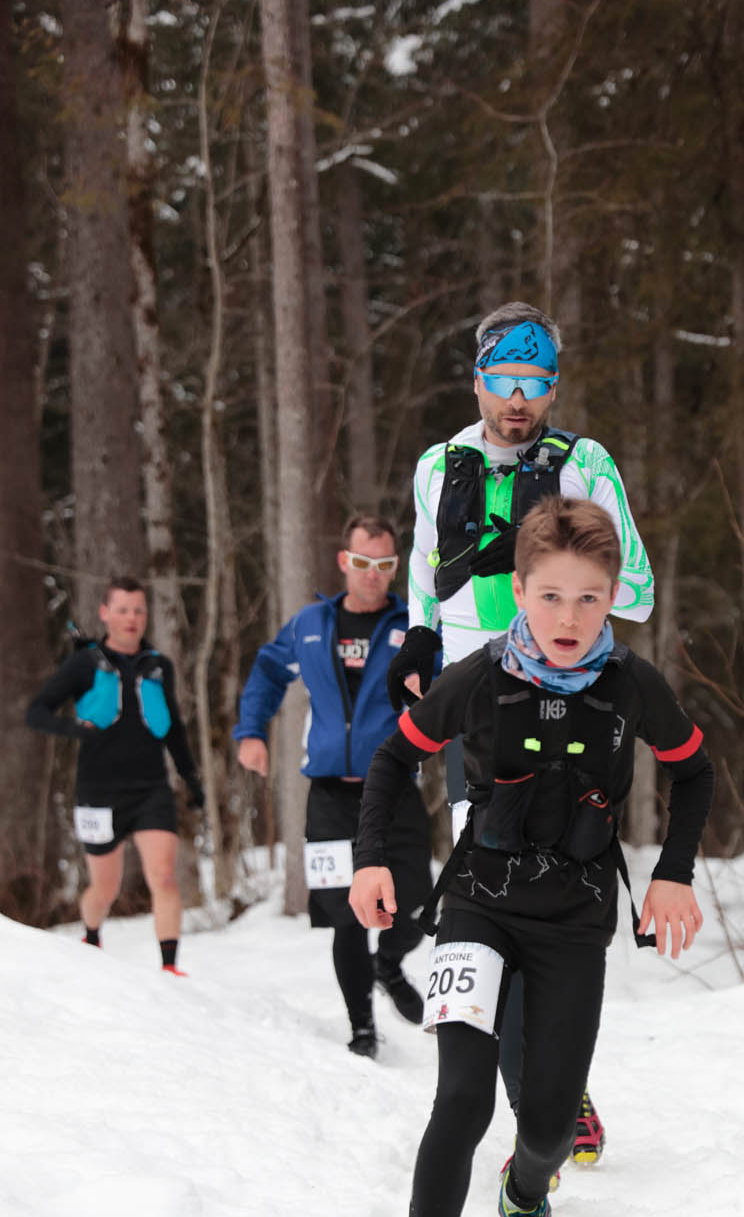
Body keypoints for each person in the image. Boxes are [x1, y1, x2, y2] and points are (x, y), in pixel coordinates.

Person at [350, 496, 713, 1217]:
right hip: (478, 905)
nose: (568, 617)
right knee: (463, 1100)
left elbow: (694, 768)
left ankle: (523, 1200)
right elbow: (393, 760)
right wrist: (371, 860)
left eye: (589, 598)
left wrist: (674, 872)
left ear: (613, 598)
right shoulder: (478, 677)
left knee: (549, 1127)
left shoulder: (631, 684)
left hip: (575, 920)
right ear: (518, 591)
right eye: (550, 596)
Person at [403, 299, 655, 1163]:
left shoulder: (584, 463)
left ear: (553, 387)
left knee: (560, 900)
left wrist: (545, 564)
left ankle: (554, 1083)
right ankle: (535, 1101)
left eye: (536, 381)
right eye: (504, 380)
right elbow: (423, 575)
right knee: (484, 901)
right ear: (477, 379)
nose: (519, 399)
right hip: (479, 711)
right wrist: (419, 640)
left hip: (574, 708)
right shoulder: (439, 465)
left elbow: (638, 591)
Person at [233, 515, 432, 1058]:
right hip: (328, 794)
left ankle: (387, 964)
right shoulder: (311, 624)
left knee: (417, 902)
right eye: (363, 563)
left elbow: (444, 676)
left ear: (395, 566)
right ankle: (362, 1028)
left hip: (393, 788)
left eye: (384, 565)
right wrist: (251, 731)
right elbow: (268, 670)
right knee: (348, 916)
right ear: (345, 561)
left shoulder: (411, 626)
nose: (373, 574)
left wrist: (430, 685)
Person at [26, 577, 203, 973]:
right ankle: (91, 935)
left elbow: (174, 728)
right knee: (104, 888)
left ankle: (169, 966)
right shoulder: (84, 664)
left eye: (138, 610)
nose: (131, 618)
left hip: (151, 789)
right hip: (98, 791)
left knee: (164, 877)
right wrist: (76, 729)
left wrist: (191, 779)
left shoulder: (159, 666)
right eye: (122, 610)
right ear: (105, 614)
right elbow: (36, 712)